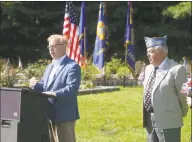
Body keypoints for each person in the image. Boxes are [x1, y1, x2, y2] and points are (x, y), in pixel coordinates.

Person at [30, 34, 81, 142]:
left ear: (64, 46)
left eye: (54, 46)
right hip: (48, 113)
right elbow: (45, 85)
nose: (51, 49)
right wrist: (35, 85)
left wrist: (55, 93)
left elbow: (72, 89)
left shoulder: (72, 66)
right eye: (49, 47)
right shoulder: (50, 66)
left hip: (64, 114)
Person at [142, 35, 189, 142]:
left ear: (162, 52)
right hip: (149, 120)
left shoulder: (177, 69)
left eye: (150, 51)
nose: (147, 54)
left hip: (169, 121)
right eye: (147, 51)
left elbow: (184, 96)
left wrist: (178, 114)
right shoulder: (148, 68)